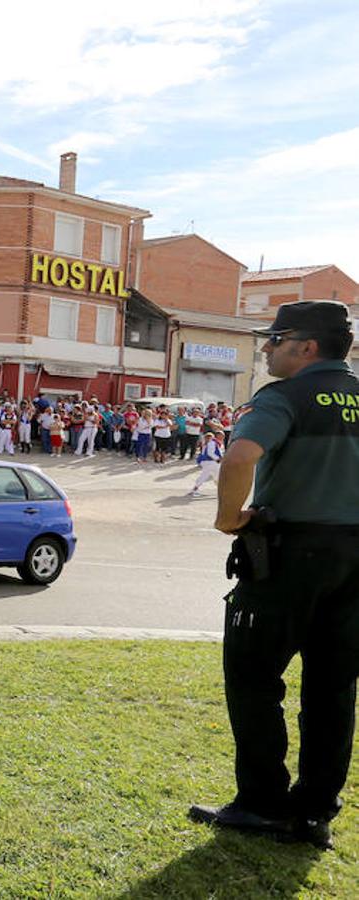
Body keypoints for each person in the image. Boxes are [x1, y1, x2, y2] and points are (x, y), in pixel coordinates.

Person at [189, 300, 359, 850]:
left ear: (306, 347)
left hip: (291, 557)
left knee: (254, 679)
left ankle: (263, 804)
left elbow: (240, 457)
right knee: (334, 690)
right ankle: (314, 814)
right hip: (355, 559)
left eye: (275, 338)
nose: (265, 349)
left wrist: (226, 520)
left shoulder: (286, 396)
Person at [189, 431, 223, 497]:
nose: (223, 437)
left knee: (215, 476)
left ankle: (220, 491)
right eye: (222, 435)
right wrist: (218, 459)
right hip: (211, 462)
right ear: (218, 436)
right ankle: (194, 490)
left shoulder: (209, 443)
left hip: (209, 462)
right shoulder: (212, 443)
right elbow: (210, 453)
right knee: (207, 476)